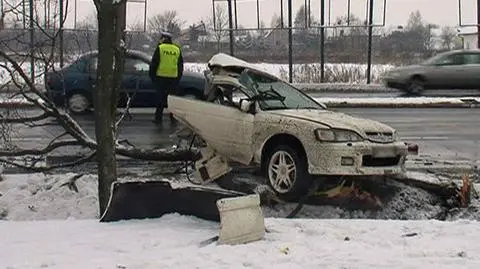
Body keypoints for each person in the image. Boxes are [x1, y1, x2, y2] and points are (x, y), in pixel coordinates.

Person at [149, 31, 184, 124]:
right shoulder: (177, 49)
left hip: (161, 78)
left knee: (160, 99)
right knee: (172, 100)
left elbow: (154, 64)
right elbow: (180, 66)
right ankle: (173, 118)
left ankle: (158, 119)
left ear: (164, 38)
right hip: (173, 79)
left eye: (161, 38)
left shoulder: (160, 48)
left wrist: (152, 77)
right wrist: (178, 78)